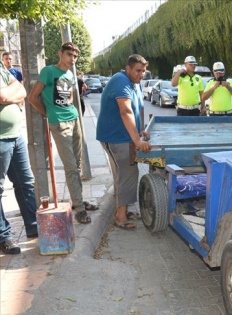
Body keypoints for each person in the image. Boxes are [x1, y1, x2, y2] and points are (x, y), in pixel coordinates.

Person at [28, 42, 98, 225]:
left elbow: (70, 98)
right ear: (60, 53)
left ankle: (78, 201)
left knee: (77, 164)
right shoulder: (49, 71)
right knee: (71, 167)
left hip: (74, 120)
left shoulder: (70, 74)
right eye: (69, 55)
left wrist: (73, 114)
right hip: (59, 124)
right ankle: (80, 209)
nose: (72, 59)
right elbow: (33, 98)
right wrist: (49, 113)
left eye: (75, 56)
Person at [96, 54, 151, 230]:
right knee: (127, 174)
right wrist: (137, 141)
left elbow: (139, 107)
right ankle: (120, 217)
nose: (141, 74)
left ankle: (124, 211)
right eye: (138, 70)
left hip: (123, 136)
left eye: (143, 71)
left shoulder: (135, 83)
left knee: (123, 175)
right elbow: (126, 111)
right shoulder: (120, 81)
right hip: (115, 137)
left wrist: (141, 130)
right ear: (128, 68)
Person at [0, 61, 37, 254]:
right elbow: (3, 95)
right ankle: (4, 236)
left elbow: (21, 90)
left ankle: (33, 226)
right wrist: (10, 93)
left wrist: (10, 93)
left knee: (26, 183)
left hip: (15, 135)